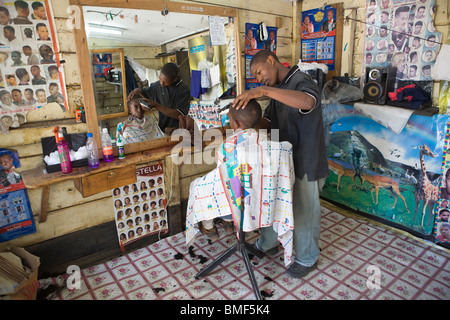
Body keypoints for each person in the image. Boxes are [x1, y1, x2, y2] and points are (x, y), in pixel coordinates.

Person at [232, 50, 329, 278]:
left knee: (304, 211)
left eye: (259, 73)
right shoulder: (279, 89)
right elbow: (269, 122)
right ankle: (268, 243)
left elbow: (308, 101)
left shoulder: (301, 81)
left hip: (306, 160)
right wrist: (247, 119)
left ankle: (307, 257)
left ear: (270, 60)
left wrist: (264, 91)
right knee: (272, 201)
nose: (259, 79)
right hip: (282, 161)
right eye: (256, 78)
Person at [127, 63, 191, 134]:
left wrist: (156, 105)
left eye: (165, 82)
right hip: (162, 130)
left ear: (175, 79)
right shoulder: (157, 86)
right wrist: (137, 91)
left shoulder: (183, 90)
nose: (161, 84)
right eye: (160, 79)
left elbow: (180, 114)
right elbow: (144, 93)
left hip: (179, 130)